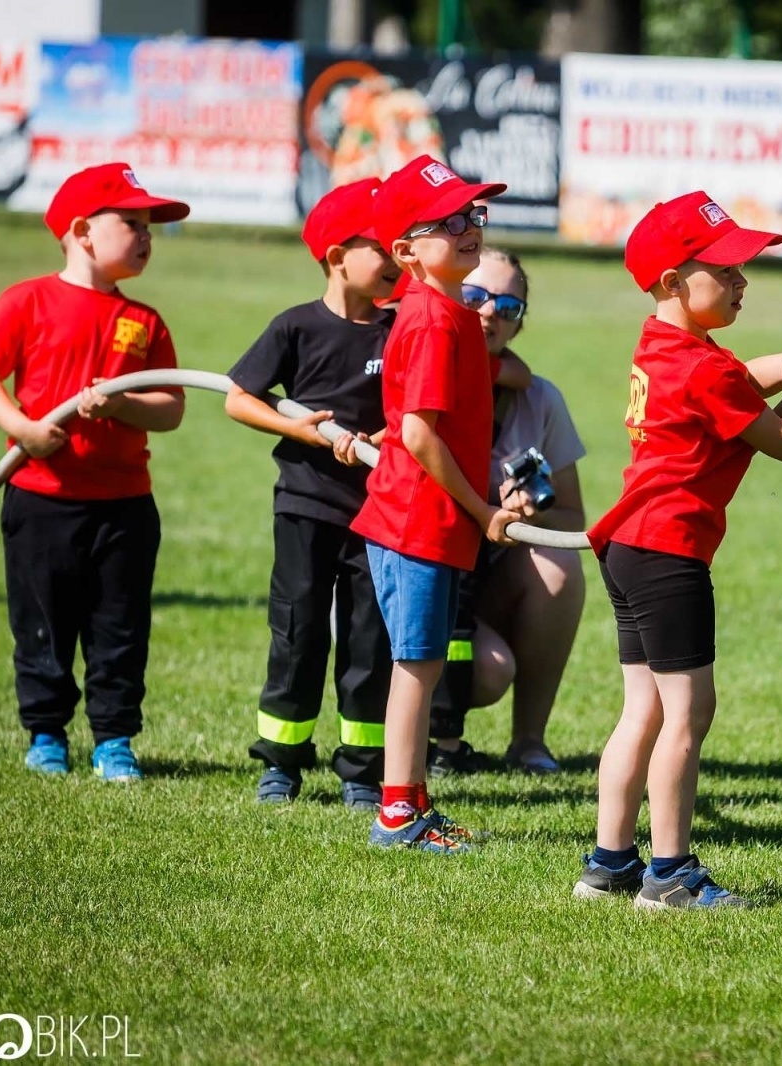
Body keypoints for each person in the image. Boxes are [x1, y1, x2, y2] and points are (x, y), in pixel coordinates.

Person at [574, 191, 782, 909]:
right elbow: (781, 440)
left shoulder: (666, 344)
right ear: (673, 281)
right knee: (687, 714)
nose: (743, 281)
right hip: (669, 552)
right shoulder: (702, 369)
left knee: (642, 712)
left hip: (630, 546)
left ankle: (609, 864)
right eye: (727, 269)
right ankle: (670, 875)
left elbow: (743, 379)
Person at [0, 162, 190, 780]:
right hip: (42, 500)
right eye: (133, 223)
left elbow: (171, 408)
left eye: (149, 226)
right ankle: (46, 735)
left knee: (120, 627)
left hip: (125, 506)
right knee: (43, 623)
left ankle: (114, 740)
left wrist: (121, 404)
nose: (146, 236)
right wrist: (24, 429)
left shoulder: (145, 322)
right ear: (84, 231)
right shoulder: (28, 300)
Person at [350, 154, 519, 853]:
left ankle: (415, 803)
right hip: (417, 522)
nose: (467, 228)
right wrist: (483, 511)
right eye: (446, 223)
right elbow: (420, 434)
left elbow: (412, 421)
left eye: (470, 215)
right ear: (406, 251)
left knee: (423, 663)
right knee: (416, 667)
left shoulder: (448, 313)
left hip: (432, 521)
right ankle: (397, 815)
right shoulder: (431, 320)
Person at [223, 177, 400, 809]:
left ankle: (362, 771)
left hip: (378, 512)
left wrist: (383, 437)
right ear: (337, 257)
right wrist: (295, 427)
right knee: (298, 630)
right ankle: (281, 762)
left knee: (369, 639)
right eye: (382, 247)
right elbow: (238, 398)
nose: (396, 258)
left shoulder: (400, 331)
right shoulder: (295, 327)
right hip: (305, 503)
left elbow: (418, 410)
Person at [427, 246, 587, 777]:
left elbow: (572, 519)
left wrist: (527, 516)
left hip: (480, 587)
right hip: (411, 574)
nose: (490, 312)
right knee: (488, 667)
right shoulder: (425, 372)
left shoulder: (539, 399)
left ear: (519, 324)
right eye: (474, 295)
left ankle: (529, 741)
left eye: (509, 306)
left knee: (559, 567)